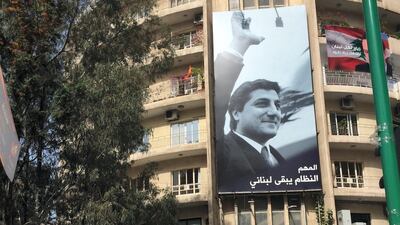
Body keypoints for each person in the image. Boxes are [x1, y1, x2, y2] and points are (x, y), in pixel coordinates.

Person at [214, 12, 288, 191]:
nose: (274, 112)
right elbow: (215, 101)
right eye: (262, 104)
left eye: (277, 105)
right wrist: (239, 44)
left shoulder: (279, 158)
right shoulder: (221, 148)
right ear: (236, 112)